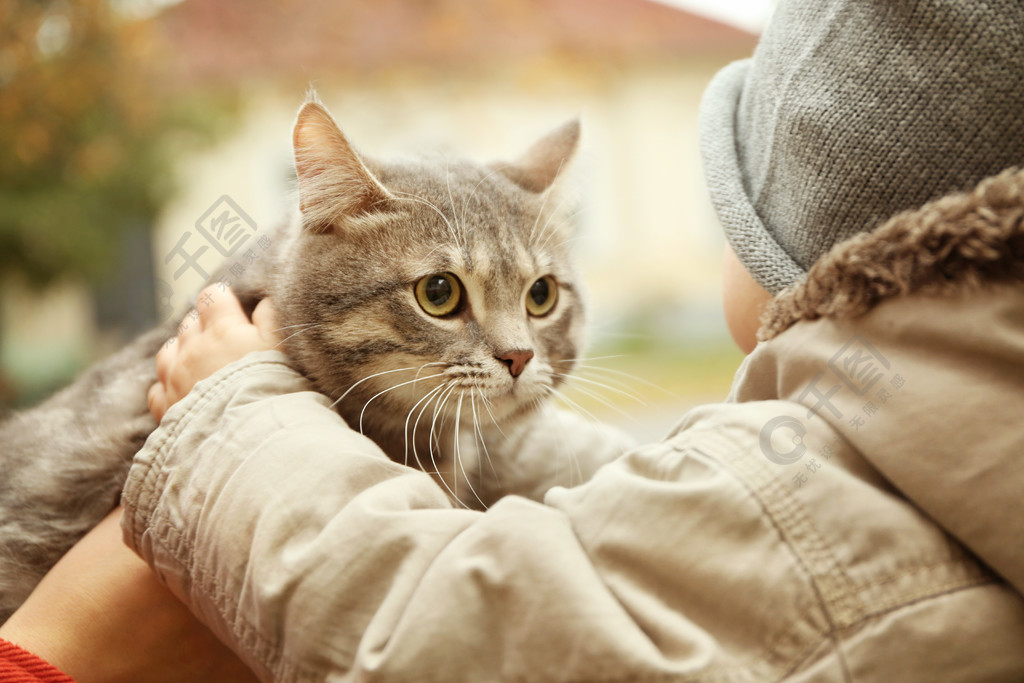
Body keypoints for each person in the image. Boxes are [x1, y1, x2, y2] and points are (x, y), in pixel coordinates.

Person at [5, 0, 1024, 679]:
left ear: (804, 244)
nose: (511, 343)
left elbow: (445, 619)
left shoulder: (835, 510)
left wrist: (235, 424)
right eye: (444, 292)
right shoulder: (934, 422)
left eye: (540, 295)